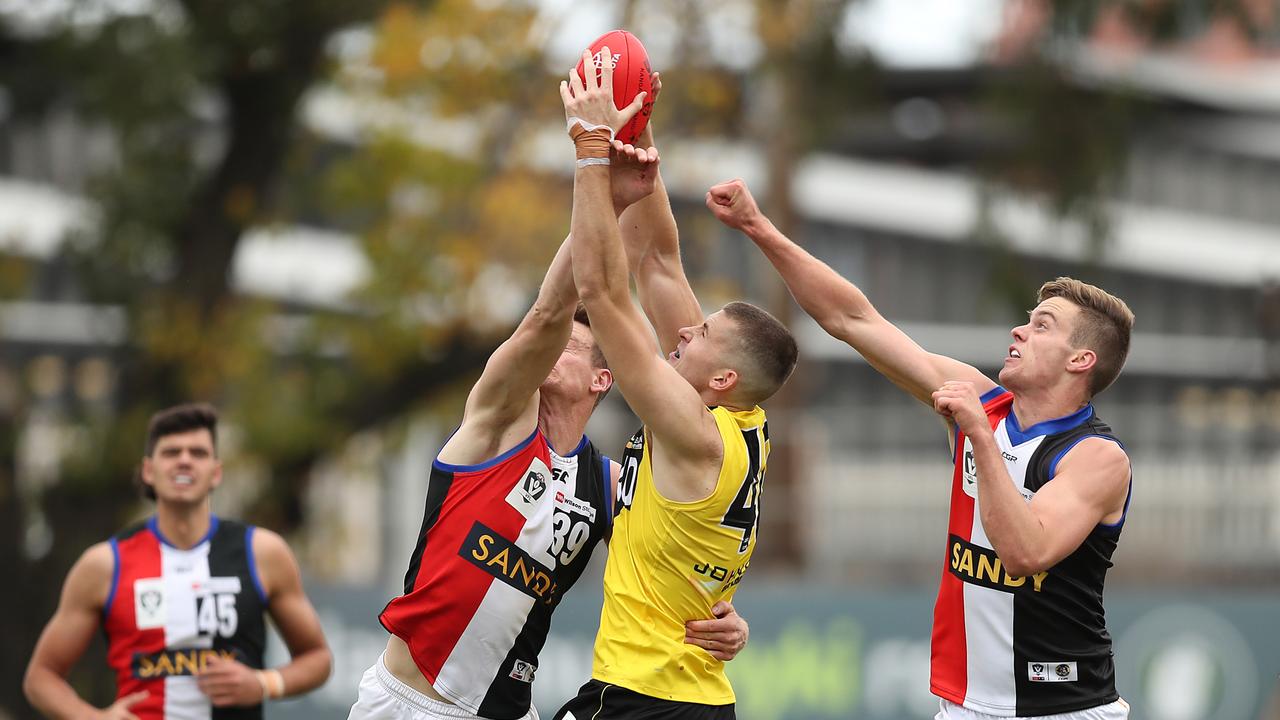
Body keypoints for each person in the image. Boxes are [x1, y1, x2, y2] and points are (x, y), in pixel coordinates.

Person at [347, 100, 750, 720]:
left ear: (601, 379)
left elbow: (677, 546)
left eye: (575, 348)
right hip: (414, 704)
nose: (552, 351)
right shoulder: (499, 421)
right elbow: (545, 315)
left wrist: (725, 613)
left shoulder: (610, 483)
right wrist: (606, 198)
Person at [706, 178, 1136, 720]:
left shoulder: (1095, 457)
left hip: (1063, 710)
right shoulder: (983, 403)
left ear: (1081, 361)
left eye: (1042, 326)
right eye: (1027, 319)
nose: (1019, 330)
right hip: (964, 706)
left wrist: (979, 436)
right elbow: (853, 320)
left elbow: (1025, 554)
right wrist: (757, 227)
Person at [555, 49, 798, 720]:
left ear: (722, 375)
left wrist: (592, 152)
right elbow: (658, 262)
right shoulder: (736, 413)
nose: (685, 332)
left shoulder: (691, 429)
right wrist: (641, 135)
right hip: (694, 699)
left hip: (641, 698)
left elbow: (603, 290)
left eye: (702, 334)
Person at [24, 403, 333, 720]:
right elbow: (41, 677)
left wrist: (264, 682)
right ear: (148, 471)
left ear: (216, 473)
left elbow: (318, 657)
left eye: (198, 453)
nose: (185, 460)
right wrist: (95, 718)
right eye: (171, 452)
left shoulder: (262, 552)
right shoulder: (105, 564)